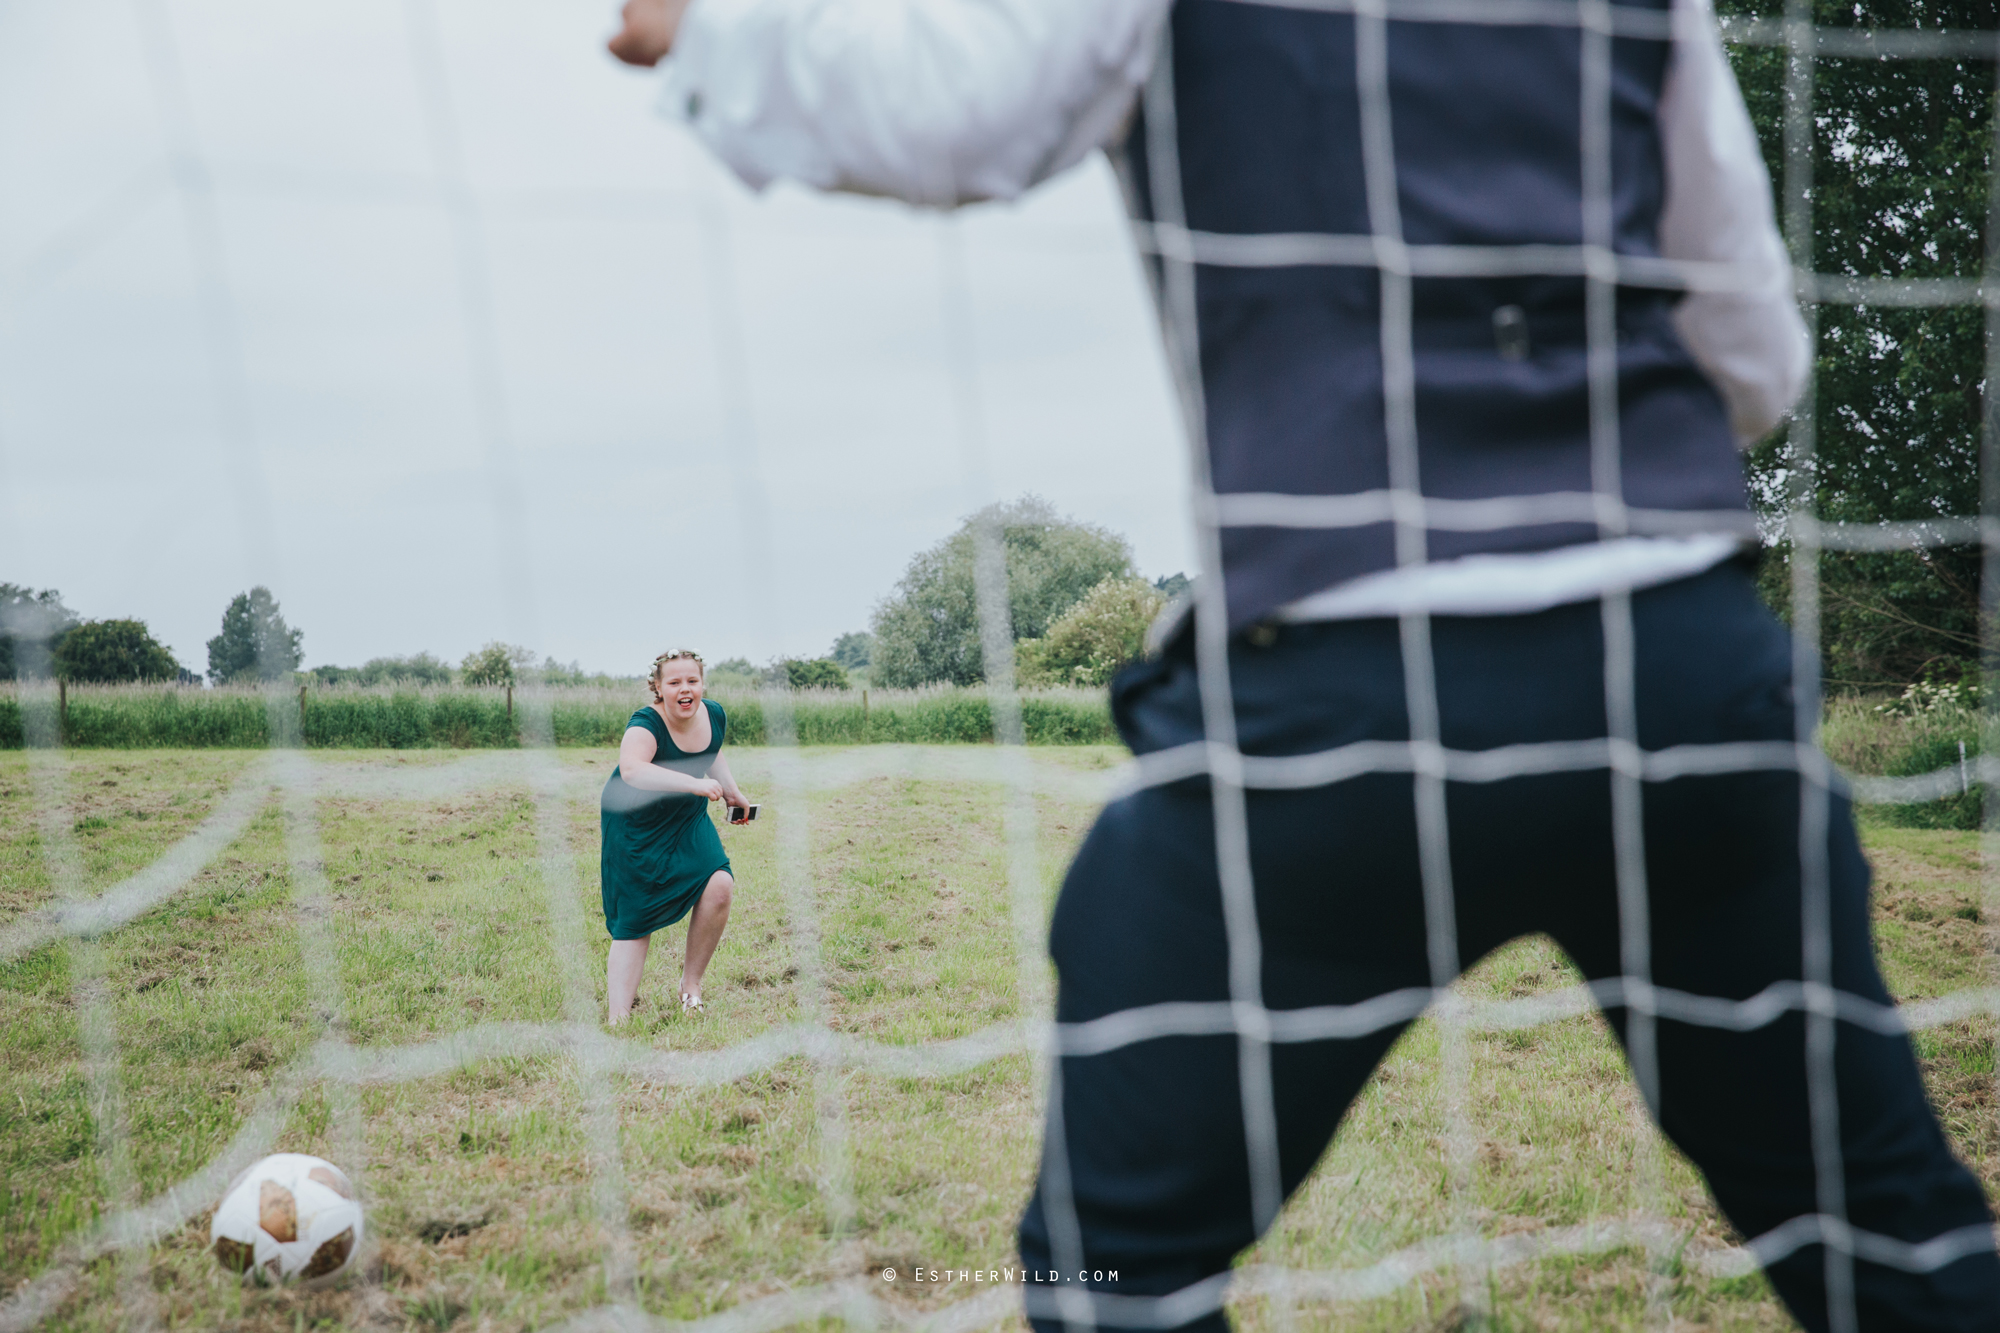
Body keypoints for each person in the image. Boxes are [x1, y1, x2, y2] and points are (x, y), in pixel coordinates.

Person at [605, 1, 2000, 1328]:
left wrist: (716, 33)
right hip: (1681, 682)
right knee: (1886, 1231)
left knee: (1112, 1255)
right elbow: (1752, 355)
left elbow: (969, 110)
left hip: (1350, 693)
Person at [600, 648, 752, 1022]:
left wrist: (731, 791)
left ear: (702, 684)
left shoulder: (713, 713)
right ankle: (619, 1019)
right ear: (658, 687)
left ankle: (691, 987)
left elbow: (712, 750)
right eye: (674, 682)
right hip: (635, 823)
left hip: (685, 818)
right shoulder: (645, 724)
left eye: (692, 681)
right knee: (635, 919)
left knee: (719, 884)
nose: (685, 689)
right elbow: (633, 770)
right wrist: (694, 785)